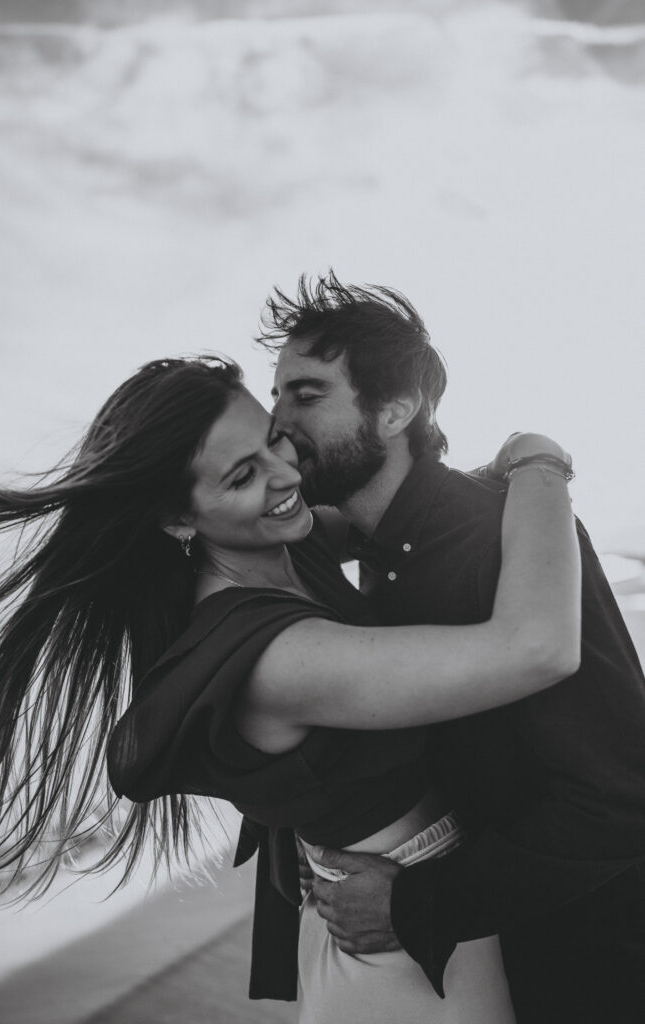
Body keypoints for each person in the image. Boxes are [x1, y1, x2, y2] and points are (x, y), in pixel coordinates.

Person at [0, 356, 579, 1024]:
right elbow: (536, 648)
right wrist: (538, 462)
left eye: (273, 439)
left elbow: (405, 519)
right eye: (243, 475)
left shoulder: (291, 543)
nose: (285, 475)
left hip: (410, 900)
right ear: (178, 521)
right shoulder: (275, 658)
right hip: (394, 953)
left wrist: (482, 477)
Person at [259, 271, 645, 1024]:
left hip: (579, 965)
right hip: (474, 962)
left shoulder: (511, 538)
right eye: (275, 397)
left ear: (395, 409)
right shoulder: (370, 539)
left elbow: (621, 793)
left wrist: (415, 902)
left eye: (305, 396)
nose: (275, 423)